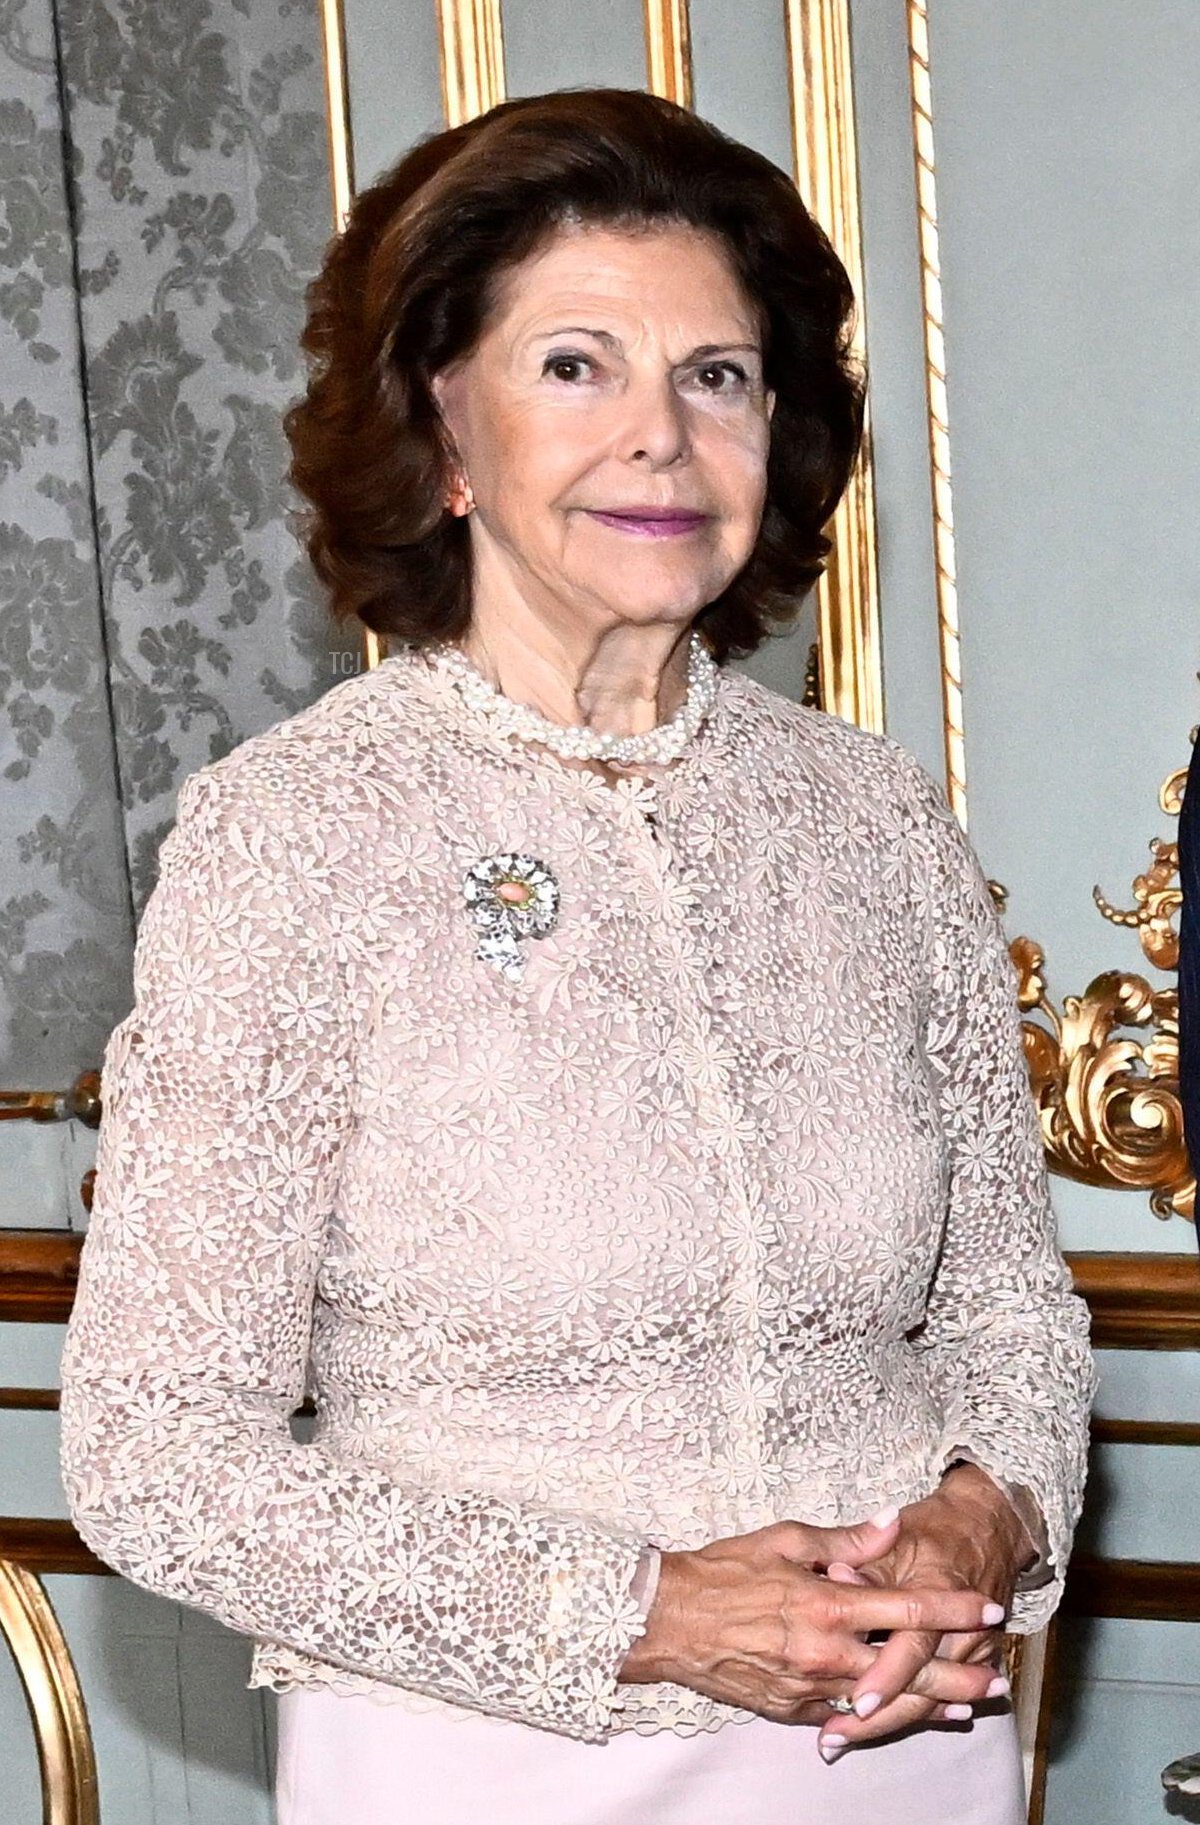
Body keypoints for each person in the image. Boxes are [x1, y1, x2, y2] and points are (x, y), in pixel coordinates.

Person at [58, 88, 1096, 1824]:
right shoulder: (299, 834)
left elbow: (1010, 1306)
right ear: (443, 431)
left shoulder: (873, 819)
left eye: (717, 375)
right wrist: (657, 1613)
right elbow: (157, 1454)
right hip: (494, 1755)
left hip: (905, 1736)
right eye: (576, 366)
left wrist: (988, 1517)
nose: (663, 440)